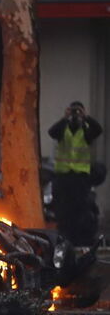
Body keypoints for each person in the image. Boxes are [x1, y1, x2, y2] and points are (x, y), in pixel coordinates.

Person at [48, 101, 103, 246]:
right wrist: (65, 118)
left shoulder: (85, 131)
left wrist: (86, 117)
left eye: (78, 112)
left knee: (80, 211)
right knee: (64, 212)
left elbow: (98, 129)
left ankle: (79, 242)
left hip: (80, 179)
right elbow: (51, 132)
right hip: (64, 178)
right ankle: (65, 241)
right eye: (74, 111)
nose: (75, 115)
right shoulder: (62, 129)